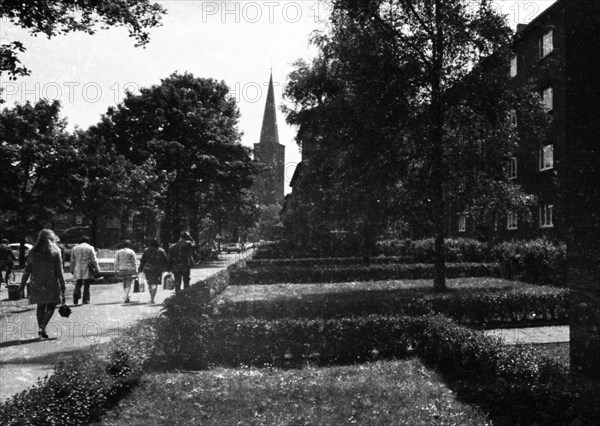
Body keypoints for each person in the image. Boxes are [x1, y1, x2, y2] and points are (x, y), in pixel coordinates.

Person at [18, 229, 66, 339]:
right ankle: (42, 327)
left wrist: (22, 284)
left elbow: (27, 269)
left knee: (40, 305)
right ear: (51, 238)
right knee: (51, 305)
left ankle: (41, 329)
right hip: (51, 281)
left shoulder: (33, 251)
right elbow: (59, 269)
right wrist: (62, 283)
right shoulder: (55, 251)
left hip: (36, 282)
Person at [70, 236, 99, 305]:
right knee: (87, 284)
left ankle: (76, 293)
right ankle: (85, 300)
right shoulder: (90, 248)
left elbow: (72, 260)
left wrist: (71, 269)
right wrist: (97, 268)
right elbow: (94, 259)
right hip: (87, 267)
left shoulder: (75, 248)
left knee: (78, 282)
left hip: (77, 267)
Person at [138, 239, 168, 304]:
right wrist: (166, 269)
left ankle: (151, 297)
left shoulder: (147, 250)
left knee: (150, 283)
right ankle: (152, 298)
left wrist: (140, 269)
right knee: (155, 283)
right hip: (158, 269)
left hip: (148, 269)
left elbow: (143, 261)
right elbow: (165, 260)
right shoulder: (161, 251)